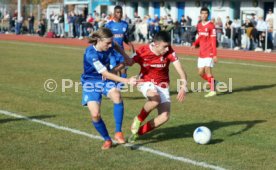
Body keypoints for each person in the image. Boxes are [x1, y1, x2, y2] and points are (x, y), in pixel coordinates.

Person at [125, 31, 187, 143]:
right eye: (165, 46)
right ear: (156, 44)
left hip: (163, 85)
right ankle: (138, 119)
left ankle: (137, 133)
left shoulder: (169, 52)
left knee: (165, 116)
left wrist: (183, 87)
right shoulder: (143, 51)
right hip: (145, 82)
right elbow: (129, 62)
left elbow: (181, 71)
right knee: (155, 100)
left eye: (168, 46)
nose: (168, 49)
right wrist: (113, 71)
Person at [81, 28, 137, 150]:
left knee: (116, 95)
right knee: (95, 115)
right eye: (107, 43)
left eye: (110, 42)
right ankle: (107, 139)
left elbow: (116, 44)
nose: (110, 45)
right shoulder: (91, 54)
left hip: (105, 80)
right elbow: (105, 74)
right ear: (99, 40)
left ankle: (118, 132)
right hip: (90, 82)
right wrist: (127, 81)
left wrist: (126, 57)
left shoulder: (110, 44)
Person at [192, 7, 218, 98]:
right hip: (201, 53)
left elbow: (214, 41)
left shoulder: (211, 25)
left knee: (208, 71)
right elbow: (200, 37)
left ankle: (212, 90)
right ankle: (213, 82)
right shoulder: (199, 25)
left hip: (209, 52)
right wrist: (195, 44)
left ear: (208, 15)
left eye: (206, 13)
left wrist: (214, 54)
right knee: (200, 73)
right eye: (202, 13)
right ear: (200, 14)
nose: (204, 15)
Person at [105, 5, 135, 83]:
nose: (119, 14)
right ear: (114, 13)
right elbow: (104, 38)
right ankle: (113, 90)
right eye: (117, 12)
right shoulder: (109, 25)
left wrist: (130, 44)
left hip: (121, 52)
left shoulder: (125, 24)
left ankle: (118, 89)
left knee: (124, 73)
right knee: (114, 72)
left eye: (121, 12)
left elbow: (125, 37)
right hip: (112, 53)